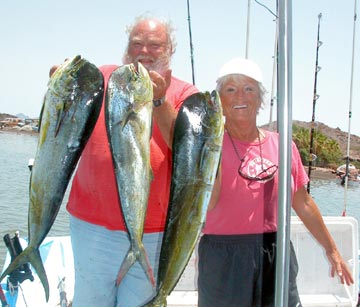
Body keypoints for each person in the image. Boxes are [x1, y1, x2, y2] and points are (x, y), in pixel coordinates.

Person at [60, 15, 198, 307]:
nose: (144, 51)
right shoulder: (100, 77)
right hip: (92, 225)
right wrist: (60, 83)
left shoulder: (186, 94)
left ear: (169, 50)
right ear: (126, 47)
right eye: (136, 43)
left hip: (154, 233)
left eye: (154, 45)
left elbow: (187, 147)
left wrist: (160, 101)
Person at [197, 57, 354, 307]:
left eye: (249, 89)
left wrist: (331, 249)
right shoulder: (207, 145)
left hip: (275, 249)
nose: (240, 97)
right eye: (231, 89)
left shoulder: (282, 145)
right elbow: (205, 205)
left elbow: (302, 202)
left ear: (260, 100)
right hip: (222, 253)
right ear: (220, 101)